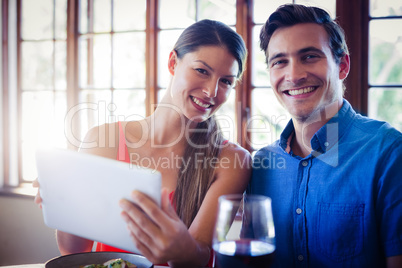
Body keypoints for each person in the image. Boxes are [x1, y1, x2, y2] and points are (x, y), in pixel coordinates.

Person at [35, 19, 251, 267]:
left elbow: (199, 260)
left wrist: (180, 246)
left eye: (226, 81)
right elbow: (73, 249)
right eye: (202, 70)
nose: (212, 91)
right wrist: (62, 200)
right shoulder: (102, 141)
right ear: (173, 63)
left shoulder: (232, 161)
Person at [247, 4, 402, 268]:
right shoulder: (261, 165)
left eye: (309, 57)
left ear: (342, 66)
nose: (293, 75)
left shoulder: (388, 152)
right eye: (280, 61)